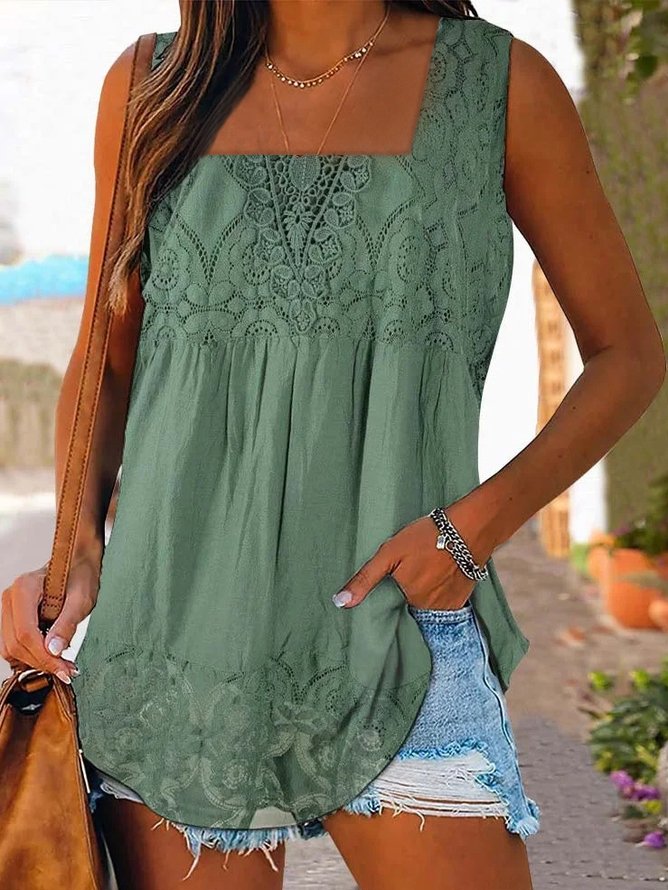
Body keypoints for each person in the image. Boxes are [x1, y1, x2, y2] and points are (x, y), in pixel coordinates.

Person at [2, 1, 665, 888]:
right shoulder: (153, 85)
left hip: (393, 629)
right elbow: (107, 356)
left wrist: (470, 532)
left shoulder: (498, 84)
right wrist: (74, 548)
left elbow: (628, 354)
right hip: (173, 636)